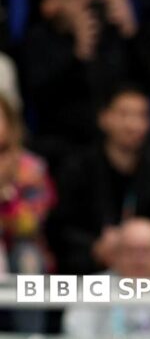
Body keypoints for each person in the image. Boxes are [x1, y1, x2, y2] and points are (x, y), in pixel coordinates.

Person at [45, 85, 150, 276]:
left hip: (145, 261)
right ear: (104, 118)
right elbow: (60, 227)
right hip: (87, 262)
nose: (133, 125)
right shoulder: (77, 167)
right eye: (124, 114)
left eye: (142, 116)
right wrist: (95, 246)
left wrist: (135, 243)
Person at [23, 0, 135, 170]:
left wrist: (131, 34)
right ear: (60, 0)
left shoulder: (112, 38)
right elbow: (40, 97)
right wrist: (78, 55)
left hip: (110, 140)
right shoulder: (40, 38)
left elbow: (141, 84)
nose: (86, 5)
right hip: (63, 139)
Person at [0, 94, 54, 333]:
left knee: (28, 259)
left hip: (17, 248)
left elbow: (30, 223)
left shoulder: (31, 169)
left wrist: (6, 197)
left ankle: (30, 334)